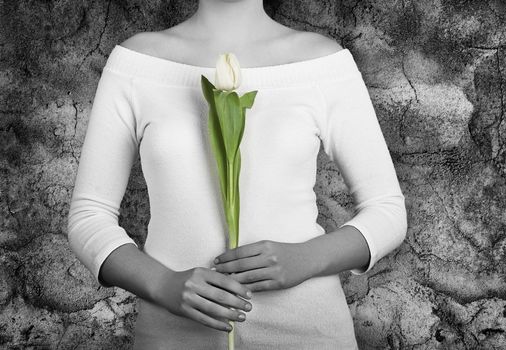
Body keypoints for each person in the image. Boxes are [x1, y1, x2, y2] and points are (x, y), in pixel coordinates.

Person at [66, 0, 408, 348]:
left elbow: (387, 210)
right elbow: (88, 216)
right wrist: (163, 284)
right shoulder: (137, 63)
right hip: (172, 334)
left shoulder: (322, 63)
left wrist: (305, 258)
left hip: (309, 331)